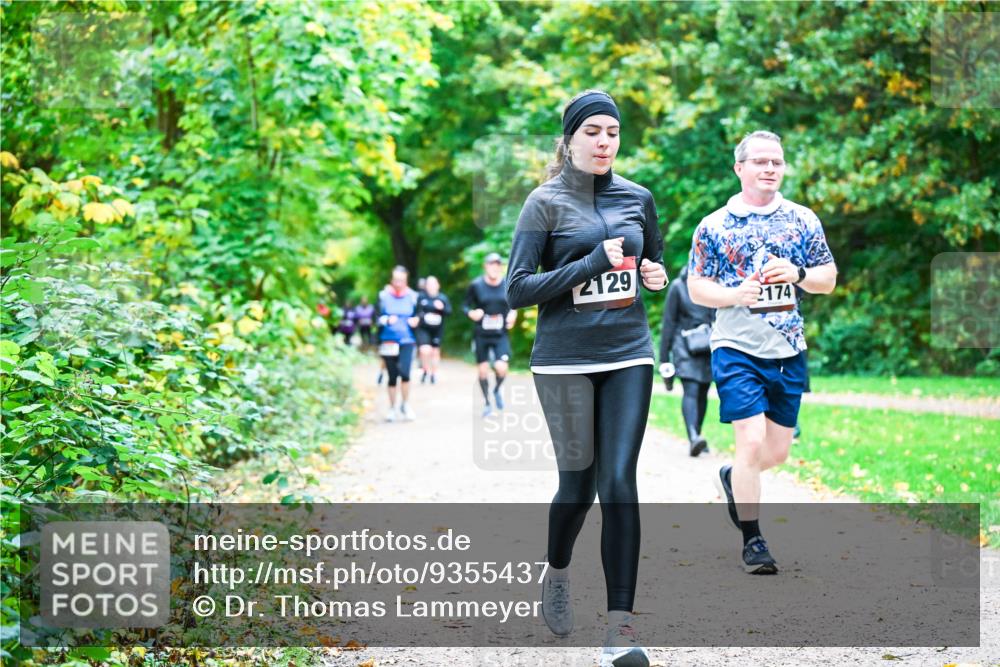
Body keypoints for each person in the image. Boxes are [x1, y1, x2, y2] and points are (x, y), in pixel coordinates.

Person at [506, 89, 667, 667]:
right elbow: (517, 289)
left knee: (618, 483)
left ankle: (619, 631)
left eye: (613, 132)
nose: (604, 142)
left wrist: (653, 275)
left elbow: (656, 264)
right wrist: (591, 262)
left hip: (628, 353)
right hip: (563, 360)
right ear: (570, 138)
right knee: (576, 489)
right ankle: (557, 571)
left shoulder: (638, 197)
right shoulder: (543, 203)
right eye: (593, 131)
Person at [687, 130, 837, 575]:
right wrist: (736, 294)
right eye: (760, 162)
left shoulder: (802, 220)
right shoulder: (714, 225)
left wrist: (798, 272)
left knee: (775, 453)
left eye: (777, 161)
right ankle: (753, 540)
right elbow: (697, 288)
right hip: (736, 348)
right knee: (749, 443)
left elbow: (827, 278)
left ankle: (734, 479)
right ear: (740, 168)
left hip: (788, 349)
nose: (770, 168)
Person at [659, 265, 715, 457]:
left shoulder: (711, 286)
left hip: (707, 345)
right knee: (691, 390)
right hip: (683, 346)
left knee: (703, 391)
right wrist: (664, 358)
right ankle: (693, 437)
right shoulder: (678, 286)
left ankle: (697, 435)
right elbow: (668, 322)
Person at [464, 253, 516, 418]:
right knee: (483, 371)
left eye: (497, 264)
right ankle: (487, 403)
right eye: (491, 264)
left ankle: (496, 390)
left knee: (502, 368)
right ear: (485, 266)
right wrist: (471, 313)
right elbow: (464, 305)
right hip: (481, 334)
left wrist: (513, 314)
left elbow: (515, 303)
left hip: (500, 333)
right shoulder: (476, 285)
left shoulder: (507, 283)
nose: (494, 267)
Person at [377, 267, 421, 421]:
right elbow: (376, 318)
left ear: (406, 281)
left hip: (407, 340)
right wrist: (387, 320)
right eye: (396, 280)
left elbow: (419, 315)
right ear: (391, 281)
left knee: (406, 374)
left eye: (401, 280)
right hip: (388, 340)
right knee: (392, 375)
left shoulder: (413, 297)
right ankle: (391, 408)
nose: (399, 283)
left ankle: (405, 404)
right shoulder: (383, 297)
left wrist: (416, 321)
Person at [415, 276, 452, 384]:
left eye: (433, 284)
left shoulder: (442, 298)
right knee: (424, 350)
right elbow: (416, 311)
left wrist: (442, 308)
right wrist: (419, 317)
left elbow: (449, 312)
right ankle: (426, 370)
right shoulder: (421, 297)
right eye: (429, 284)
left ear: (438, 285)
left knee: (435, 352)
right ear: (426, 286)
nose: (431, 286)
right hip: (423, 329)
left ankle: (433, 374)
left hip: (437, 329)